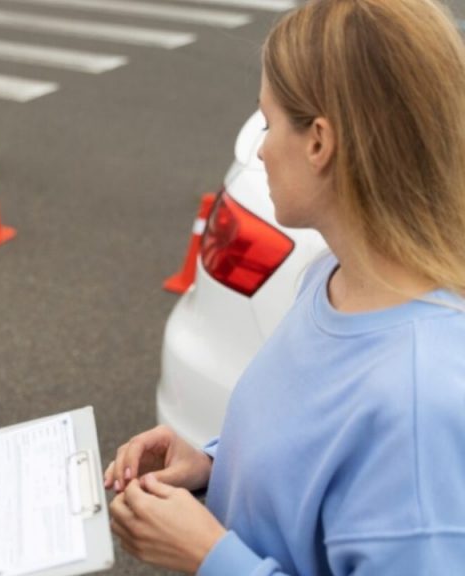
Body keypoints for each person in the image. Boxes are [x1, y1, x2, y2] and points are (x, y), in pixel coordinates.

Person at [103, 0, 465, 574]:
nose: (261, 149)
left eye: (269, 124)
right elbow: (315, 469)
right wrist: (214, 467)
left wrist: (209, 556)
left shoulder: (421, 405)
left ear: (320, 141)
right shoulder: (332, 277)